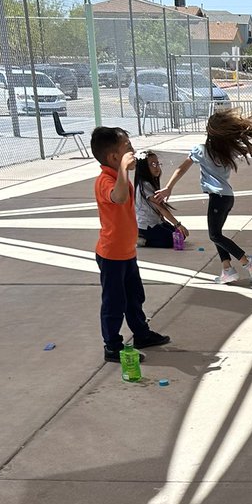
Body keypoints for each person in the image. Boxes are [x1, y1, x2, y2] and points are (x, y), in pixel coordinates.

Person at [154, 107, 252, 284]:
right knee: (217, 234)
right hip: (226, 198)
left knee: (214, 235)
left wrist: (168, 187)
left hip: (218, 198)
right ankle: (227, 269)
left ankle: (247, 261)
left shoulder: (201, 150)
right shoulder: (229, 150)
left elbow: (182, 168)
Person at [91, 126, 170, 363]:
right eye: (128, 148)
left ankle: (141, 334)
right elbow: (119, 198)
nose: (133, 152)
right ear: (114, 158)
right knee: (115, 302)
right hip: (111, 255)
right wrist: (125, 169)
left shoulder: (119, 177)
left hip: (126, 252)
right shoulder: (106, 181)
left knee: (135, 296)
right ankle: (112, 346)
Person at [134, 151, 188, 248]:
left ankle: (149, 237)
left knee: (180, 235)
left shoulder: (150, 183)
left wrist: (177, 226)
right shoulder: (144, 185)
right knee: (170, 241)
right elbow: (161, 208)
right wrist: (178, 224)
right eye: (152, 164)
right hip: (146, 225)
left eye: (157, 163)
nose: (157, 167)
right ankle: (143, 240)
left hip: (157, 221)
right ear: (143, 168)